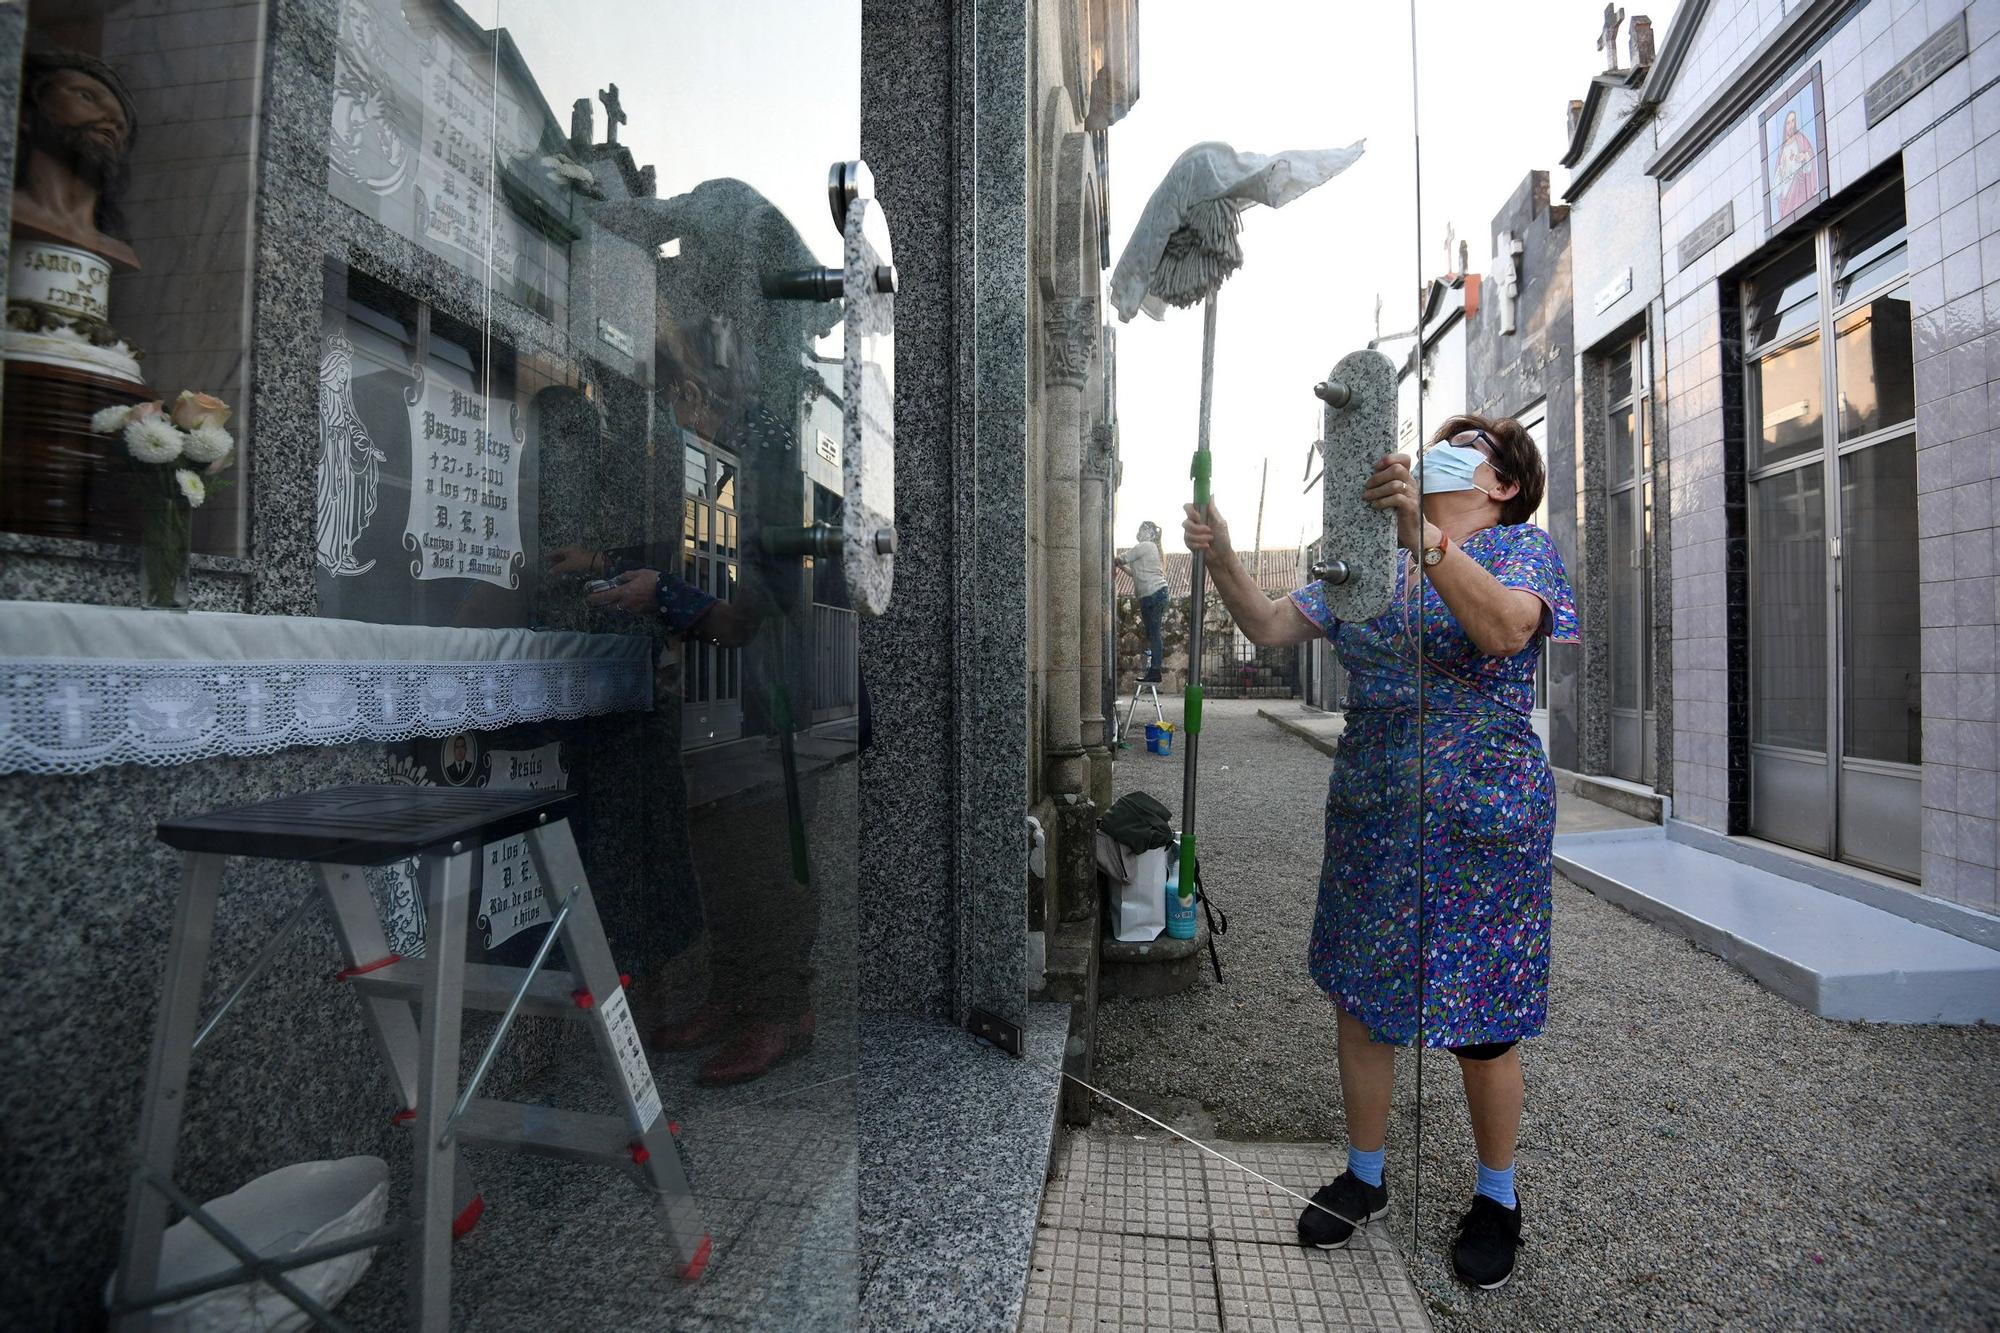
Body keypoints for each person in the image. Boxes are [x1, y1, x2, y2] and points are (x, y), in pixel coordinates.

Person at [1183, 415, 1576, 1290]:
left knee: (1482, 1012)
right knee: (1362, 993)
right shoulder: (1368, 556)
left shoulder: (1521, 551)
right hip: (1375, 804)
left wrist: (1427, 540)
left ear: (1503, 483)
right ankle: (1365, 1175)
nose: (1448, 441)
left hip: (1485, 815)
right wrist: (1219, 555)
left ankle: (1497, 1197)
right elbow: (1270, 623)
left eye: (1469, 439)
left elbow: (1507, 631)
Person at [1115, 521, 1170, 683]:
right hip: (1155, 593)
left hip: (1153, 594)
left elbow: (1123, 558)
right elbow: (1135, 574)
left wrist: (1109, 559)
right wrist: (1121, 567)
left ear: (1148, 533)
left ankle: (1155, 671)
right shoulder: (1150, 549)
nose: (1138, 532)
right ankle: (1154, 670)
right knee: (1153, 634)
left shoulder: (1145, 545)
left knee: (1154, 634)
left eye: (1141, 529)